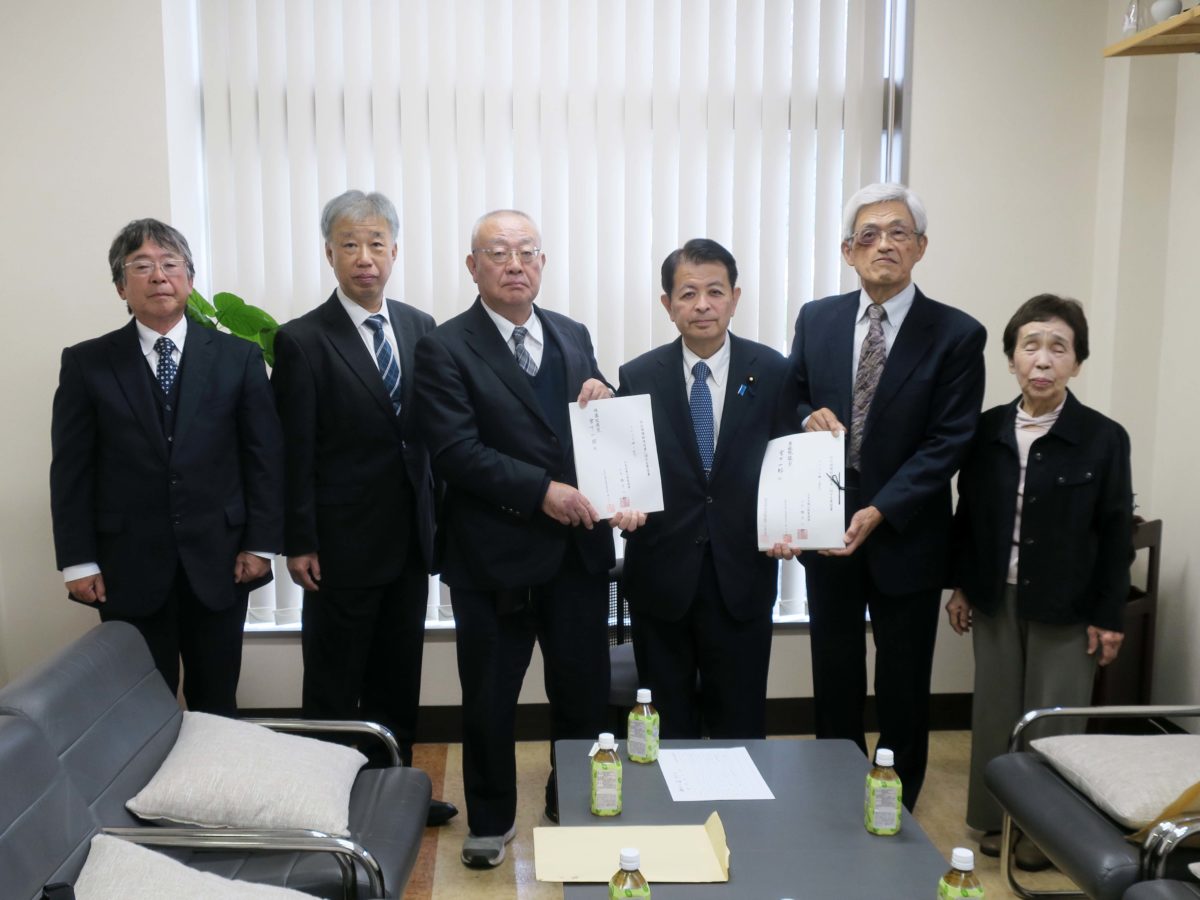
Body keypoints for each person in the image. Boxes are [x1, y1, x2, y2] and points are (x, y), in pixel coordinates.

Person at [413, 210, 616, 868]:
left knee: (582, 693)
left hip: (576, 554)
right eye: (498, 253)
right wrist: (541, 492)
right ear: (473, 267)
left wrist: (605, 395)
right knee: (490, 699)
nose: (514, 265)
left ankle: (572, 801)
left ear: (542, 263)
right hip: (493, 556)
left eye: (527, 252)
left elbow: (591, 427)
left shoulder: (573, 333)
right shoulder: (444, 346)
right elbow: (455, 452)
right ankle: (491, 819)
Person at [789, 183, 986, 809]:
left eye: (898, 232)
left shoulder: (957, 334)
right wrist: (805, 415)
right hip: (827, 527)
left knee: (903, 680)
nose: (883, 245)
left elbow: (949, 441)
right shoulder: (817, 318)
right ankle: (834, 787)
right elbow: (791, 395)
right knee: (834, 671)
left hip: (907, 532)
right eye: (868, 235)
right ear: (848, 251)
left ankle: (895, 802)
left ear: (921, 247)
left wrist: (882, 508)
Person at [270, 190, 456, 826]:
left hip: (409, 538)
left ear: (395, 251)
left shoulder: (420, 326)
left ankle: (395, 797)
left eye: (376, 243)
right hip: (338, 544)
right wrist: (298, 540)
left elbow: (432, 433)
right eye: (350, 244)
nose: (365, 257)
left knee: (398, 674)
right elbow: (293, 451)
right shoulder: (301, 340)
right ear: (330, 254)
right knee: (333, 680)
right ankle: (323, 808)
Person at [50, 218, 284, 716]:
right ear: (121, 286)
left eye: (170, 264)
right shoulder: (88, 363)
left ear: (189, 280)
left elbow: (263, 458)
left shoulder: (238, 358)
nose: (158, 276)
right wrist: (78, 560)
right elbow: (72, 469)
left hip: (222, 560)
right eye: (141, 266)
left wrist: (261, 544)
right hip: (126, 564)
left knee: (216, 701)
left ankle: (215, 771)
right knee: (139, 706)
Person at [946, 294, 1131, 866]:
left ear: (1077, 362)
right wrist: (960, 585)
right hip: (994, 596)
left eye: (1059, 348)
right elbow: (968, 515)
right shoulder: (985, 431)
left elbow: (1115, 532)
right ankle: (995, 819)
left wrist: (1108, 615)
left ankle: (1048, 833)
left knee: (1054, 722)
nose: (1043, 360)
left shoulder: (1103, 437)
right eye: (1031, 346)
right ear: (1011, 359)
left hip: (1068, 603)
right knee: (995, 715)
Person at [616, 238, 798, 739]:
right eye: (688, 293)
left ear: (734, 299)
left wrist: (792, 527)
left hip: (742, 576)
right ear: (667, 304)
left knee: (740, 722)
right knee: (665, 723)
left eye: (715, 292)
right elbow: (625, 469)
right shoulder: (637, 376)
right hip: (661, 578)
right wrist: (620, 506)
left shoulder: (773, 372)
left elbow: (789, 462)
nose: (702, 305)